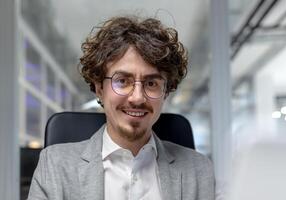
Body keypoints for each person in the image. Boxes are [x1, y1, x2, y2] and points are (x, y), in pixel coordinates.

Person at [28, 15, 215, 200]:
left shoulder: (199, 171)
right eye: (123, 81)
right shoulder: (54, 165)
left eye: (151, 83)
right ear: (100, 88)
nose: (137, 98)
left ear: (166, 92)